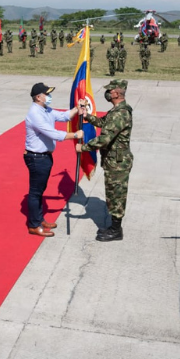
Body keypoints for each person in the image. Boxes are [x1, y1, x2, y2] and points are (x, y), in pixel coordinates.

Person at [76, 79, 133, 242]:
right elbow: (102, 123)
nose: (107, 94)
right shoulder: (116, 111)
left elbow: (105, 139)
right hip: (114, 160)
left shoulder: (120, 113)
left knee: (117, 195)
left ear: (116, 93)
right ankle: (114, 226)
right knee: (112, 193)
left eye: (109, 91)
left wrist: (84, 147)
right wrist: (87, 116)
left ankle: (116, 230)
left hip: (118, 162)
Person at [24, 83, 82, 237]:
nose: (49, 97)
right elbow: (54, 134)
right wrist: (75, 135)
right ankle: (34, 225)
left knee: (40, 191)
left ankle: (39, 218)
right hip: (36, 157)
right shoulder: (35, 114)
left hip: (44, 156)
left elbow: (62, 116)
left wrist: (77, 108)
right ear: (38, 97)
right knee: (35, 192)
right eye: (46, 94)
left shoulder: (45, 109)